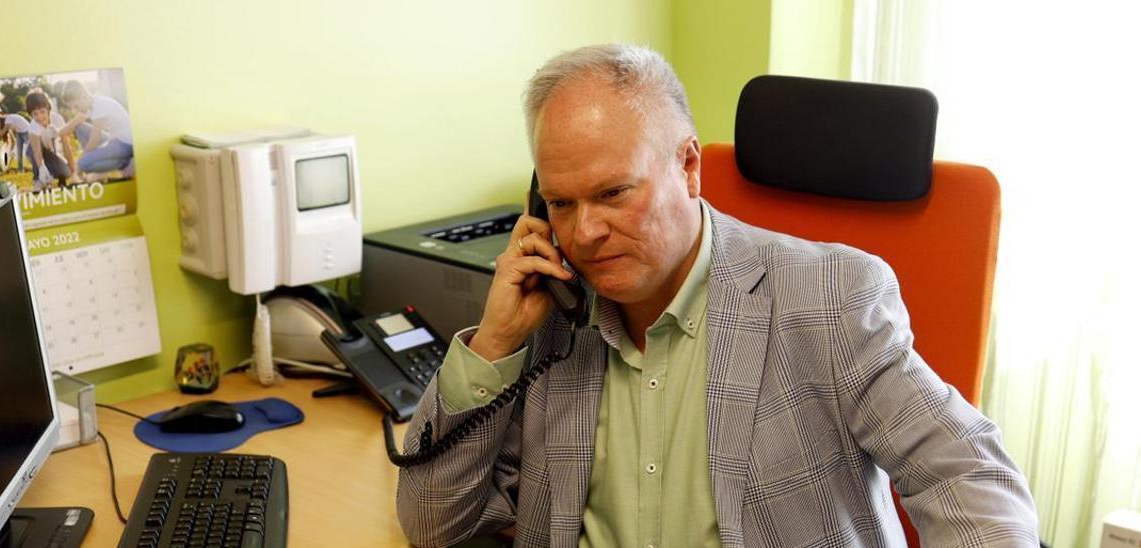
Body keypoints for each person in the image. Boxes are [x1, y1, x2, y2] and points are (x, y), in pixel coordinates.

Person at [396, 44, 1039, 548]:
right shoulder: (551, 325)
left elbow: (969, 478)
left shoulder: (831, 298)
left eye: (615, 193)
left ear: (689, 167)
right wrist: (494, 344)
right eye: (562, 203)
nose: (586, 232)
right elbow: (432, 525)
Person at [61, 79, 134, 179]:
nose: (75, 110)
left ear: (83, 96)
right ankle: (122, 162)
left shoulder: (99, 106)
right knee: (79, 128)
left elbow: (94, 140)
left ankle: (125, 162)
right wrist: (56, 133)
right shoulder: (91, 105)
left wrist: (81, 160)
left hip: (125, 144)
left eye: (76, 106)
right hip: (114, 141)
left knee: (83, 163)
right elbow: (73, 124)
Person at [25, 91, 75, 189]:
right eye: (35, 114)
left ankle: (61, 179)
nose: (39, 117)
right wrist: (41, 168)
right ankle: (37, 180)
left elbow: (66, 145)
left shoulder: (57, 120)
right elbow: (37, 152)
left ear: (48, 109)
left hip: (49, 153)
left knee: (67, 172)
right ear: (31, 114)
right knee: (32, 148)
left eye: (42, 111)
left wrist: (73, 169)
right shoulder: (33, 127)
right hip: (34, 152)